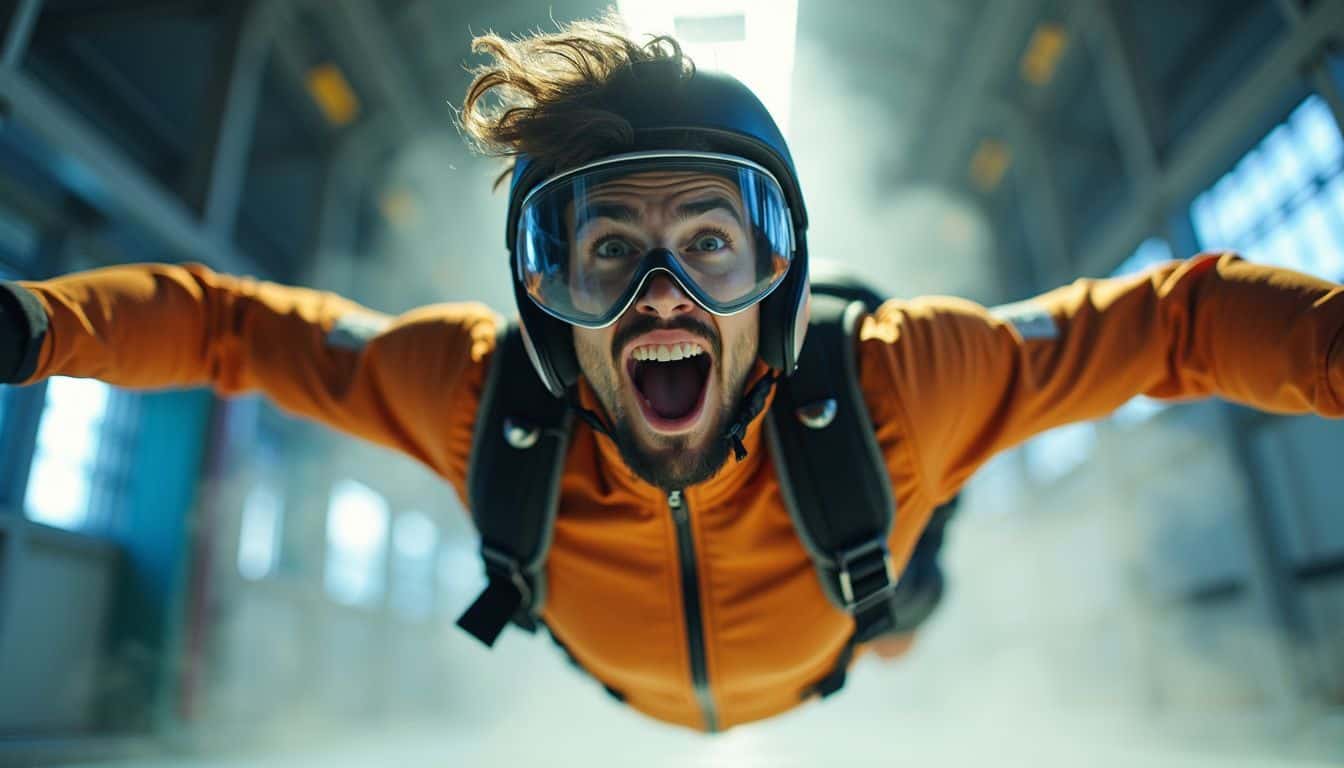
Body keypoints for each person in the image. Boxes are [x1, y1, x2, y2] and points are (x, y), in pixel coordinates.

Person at [1, 16, 1342, 733]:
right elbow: (240, 327)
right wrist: (34, 327)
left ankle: (910, 576)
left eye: (713, 244)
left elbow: (1180, 320)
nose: (662, 296)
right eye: (606, 253)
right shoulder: (479, 401)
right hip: (631, 676)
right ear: (543, 297)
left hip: (848, 617)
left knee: (907, 572)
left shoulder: (892, 384)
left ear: (784, 276)